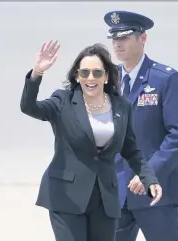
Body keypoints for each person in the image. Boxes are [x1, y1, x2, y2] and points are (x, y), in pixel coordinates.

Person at [20, 40, 163, 241]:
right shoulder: (63, 101)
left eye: (97, 73)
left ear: (106, 77)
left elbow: (131, 150)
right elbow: (29, 107)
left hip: (105, 199)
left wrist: (149, 178)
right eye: (84, 72)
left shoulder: (122, 106)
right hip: (66, 195)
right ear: (77, 76)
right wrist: (37, 73)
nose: (90, 78)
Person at [103, 11, 178, 241]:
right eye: (114, 37)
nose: (117, 43)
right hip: (117, 192)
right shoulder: (107, 80)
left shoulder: (165, 78)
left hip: (158, 193)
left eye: (124, 37)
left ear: (142, 39)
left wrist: (149, 174)